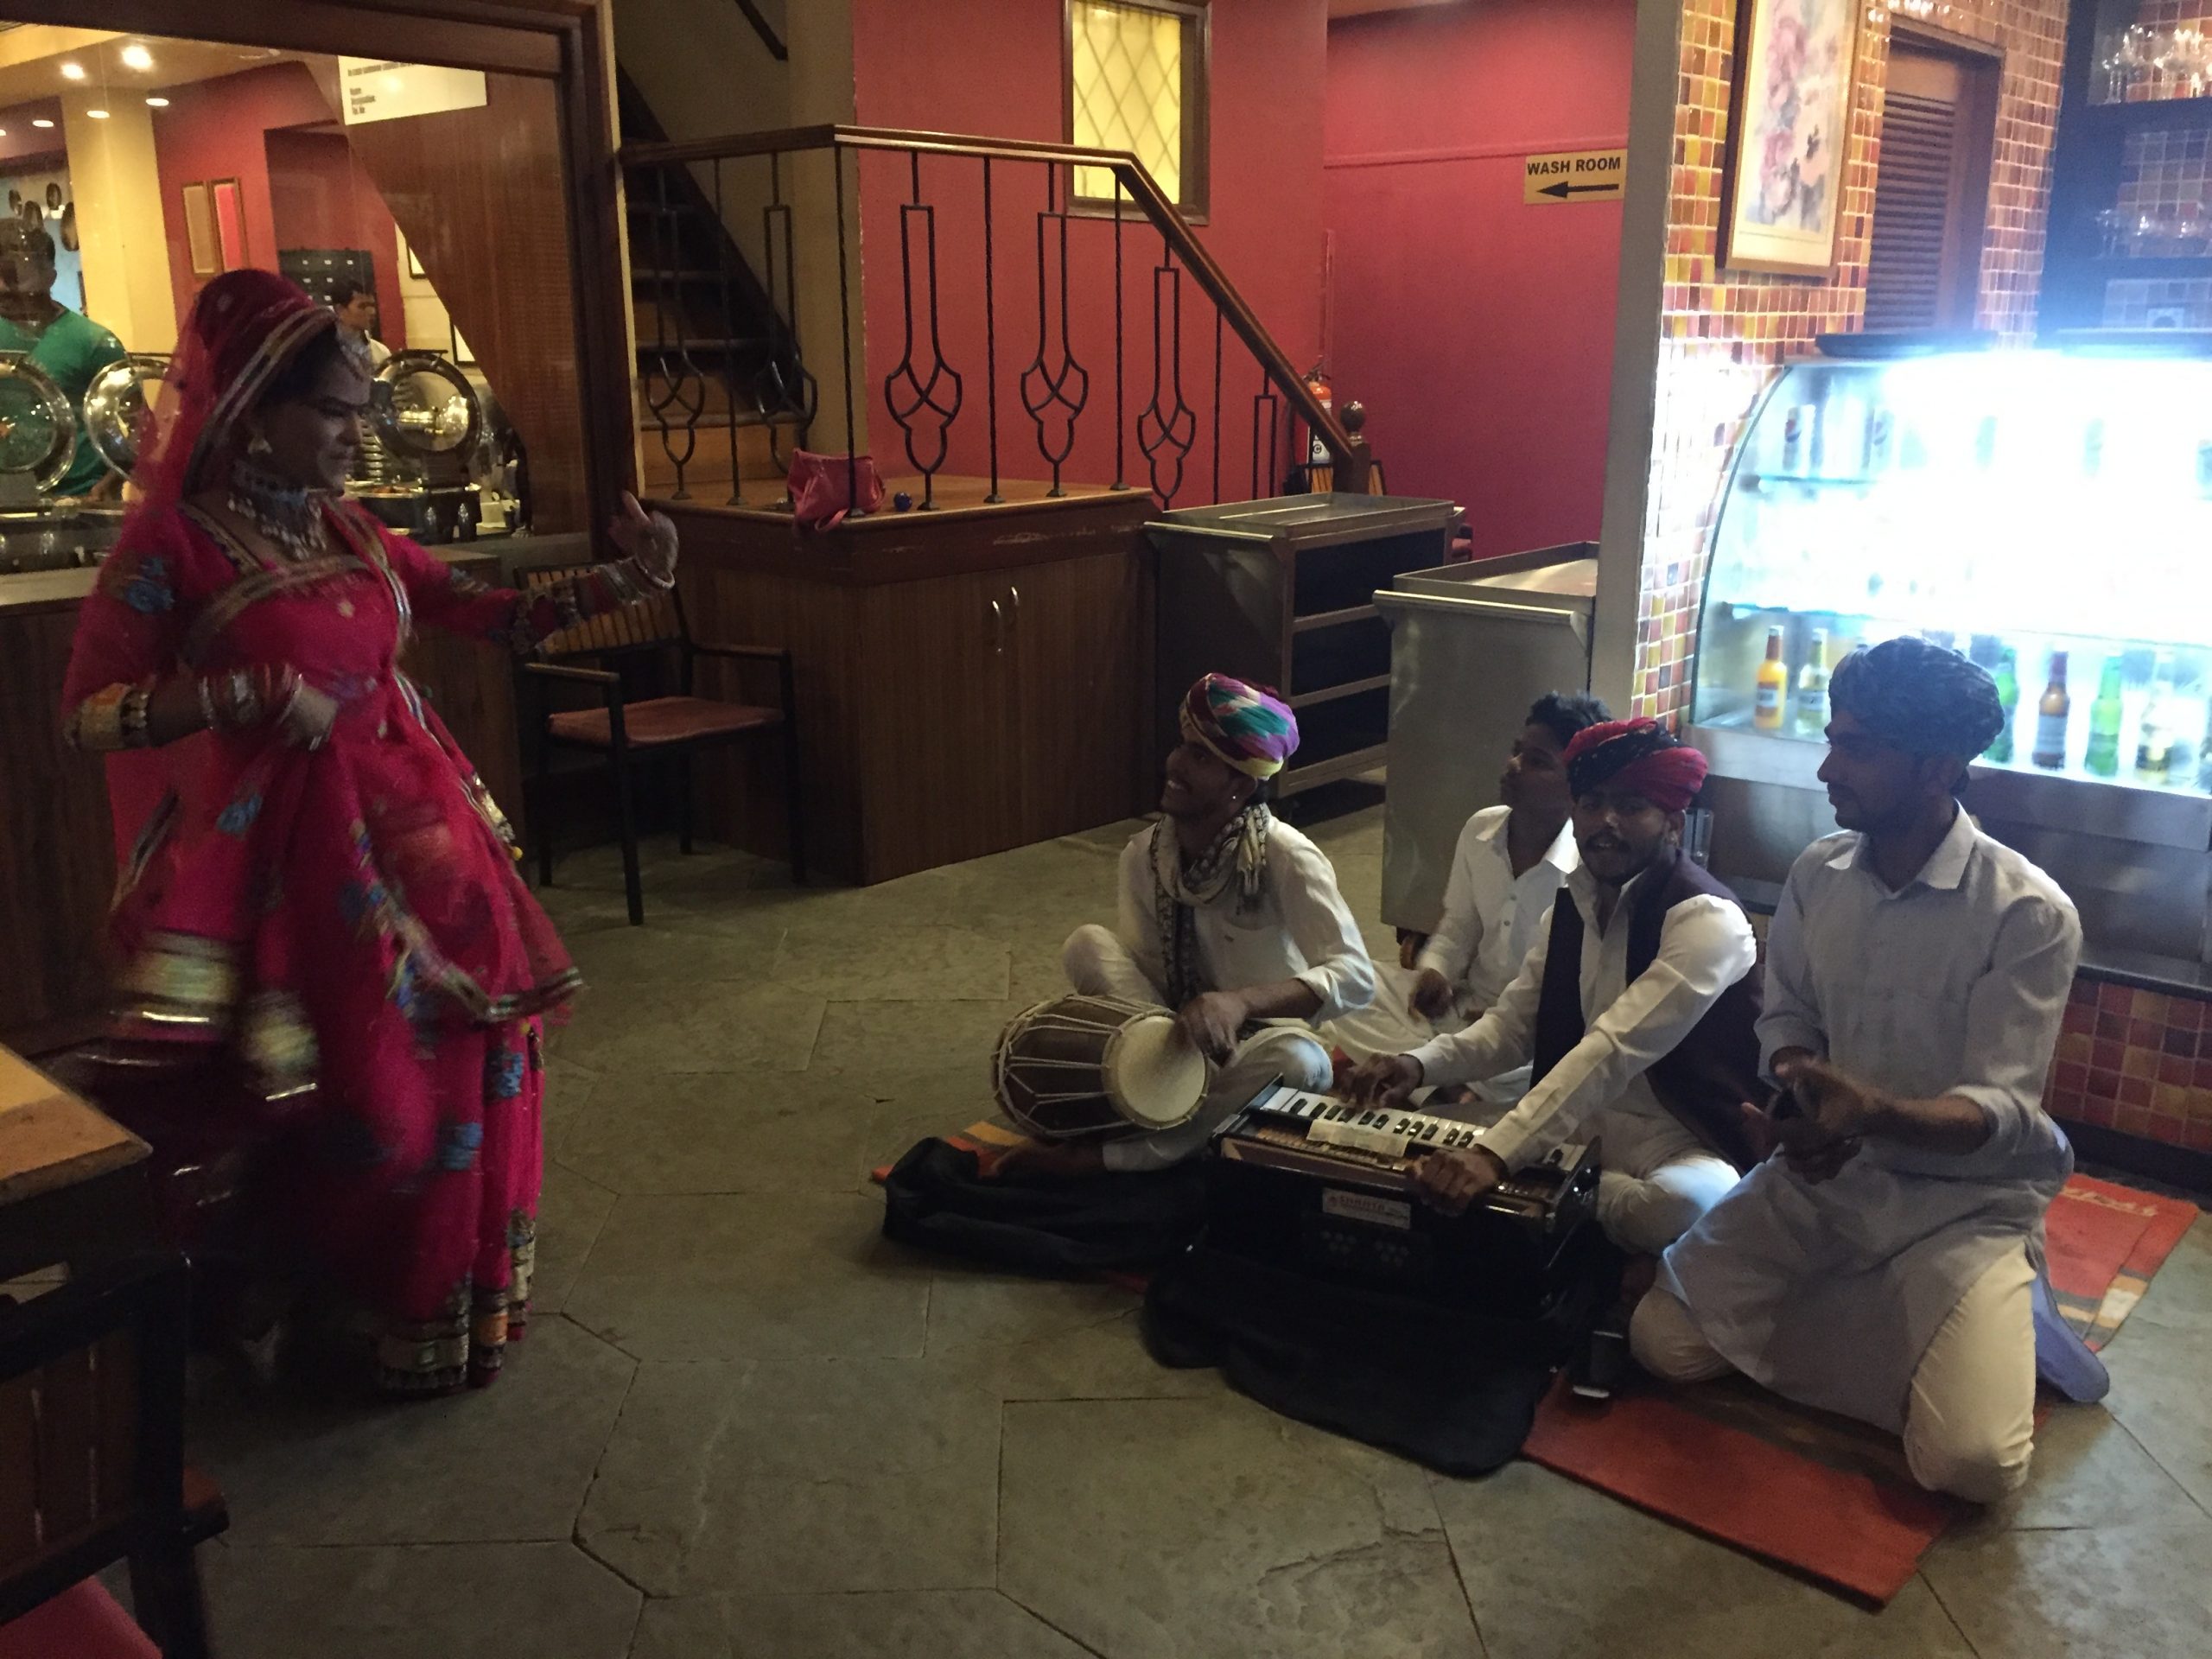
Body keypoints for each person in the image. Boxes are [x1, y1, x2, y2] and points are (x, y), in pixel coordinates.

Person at [60, 269, 679, 1395]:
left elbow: (485, 614)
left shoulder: (348, 528)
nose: (359, 436)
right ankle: (286, 1294)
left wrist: (633, 579)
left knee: (478, 1060)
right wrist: (238, 697)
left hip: (421, 841)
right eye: (336, 414)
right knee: (358, 1102)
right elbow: (90, 714)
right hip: (285, 868)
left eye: (362, 411)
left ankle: (422, 1316)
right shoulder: (174, 549)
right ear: (253, 405)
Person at [1631, 638, 2108, 1503]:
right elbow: (1788, 1019)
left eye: (1856, 748)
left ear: (1937, 768)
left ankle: (1990, 1313)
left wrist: (1870, 1112)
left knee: (1970, 1466)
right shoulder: (1820, 872)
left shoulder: (2028, 912)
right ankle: (1907, 1340)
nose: (1825, 768)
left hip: (1961, 1205)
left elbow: (2002, 1111)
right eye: (1830, 737)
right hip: (1827, 1178)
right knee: (1661, 1344)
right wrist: (1802, 1094)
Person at [1351, 720, 1761, 1254]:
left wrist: (1496, 1155)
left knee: (1679, 1207)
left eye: (1631, 806)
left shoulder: (1707, 920)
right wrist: (1417, 1065)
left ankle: (1549, 1193)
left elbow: (1612, 1048)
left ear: (1673, 824)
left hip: (1680, 1141)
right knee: (1400, 1147)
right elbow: (1512, 1027)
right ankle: (1553, 1194)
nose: (1606, 822)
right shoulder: (1572, 905)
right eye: (1592, 803)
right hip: (1576, 1128)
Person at [1001, 673, 1377, 1178]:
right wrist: (1159, 1040)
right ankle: (1165, 1101)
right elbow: (1145, 983)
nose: (1175, 764)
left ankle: (1114, 1156)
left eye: (1201, 757)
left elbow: (1356, 977)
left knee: (1303, 1063)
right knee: (1086, 944)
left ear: (1241, 785)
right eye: (1183, 747)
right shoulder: (1145, 854)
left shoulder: (1286, 857)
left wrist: (1238, 1002)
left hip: (1254, 1042)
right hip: (1172, 1030)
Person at [1398, 690, 1609, 1105]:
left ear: (1575, 788)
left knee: (1556, 1067)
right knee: (1358, 992)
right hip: (1463, 1008)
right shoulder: (1480, 831)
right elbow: (1459, 925)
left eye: (1537, 761)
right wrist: (1437, 971)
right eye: (1517, 752)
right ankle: (1450, 1086)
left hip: (1527, 1032)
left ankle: (1452, 1087)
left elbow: (1577, 994)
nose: (1513, 767)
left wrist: (1502, 1021)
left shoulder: (1588, 870)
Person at [0, 219, 125, 499]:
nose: (4, 289)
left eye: (14, 277)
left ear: (49, 277)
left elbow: (141, 429)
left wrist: (107, 485)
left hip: (78, 501)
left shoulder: (92, 341)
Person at [332, 276, 392, 369]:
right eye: (363, 306)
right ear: (340, 310)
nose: (372, 311)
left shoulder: (381, 352)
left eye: (372, 305)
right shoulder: (325, 353)